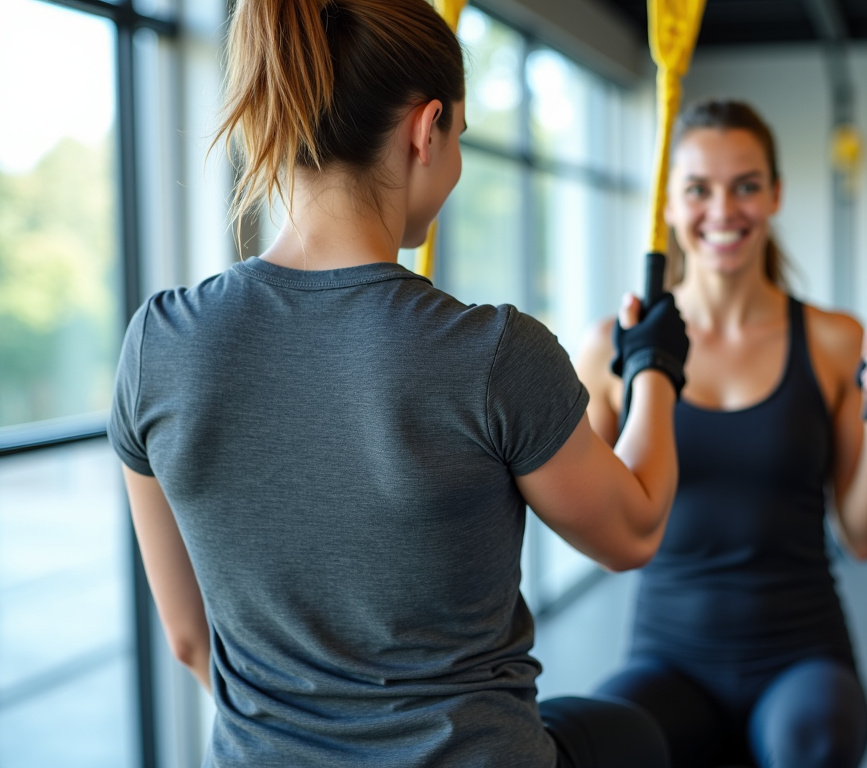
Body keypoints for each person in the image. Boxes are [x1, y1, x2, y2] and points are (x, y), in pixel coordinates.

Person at [110, 1, 688, 765]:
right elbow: (634, 529)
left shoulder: (159, 344)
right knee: (635, 737)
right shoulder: (493, 353)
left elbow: (189, 642)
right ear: (426, 129)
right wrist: (655, 368)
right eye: (461, 139)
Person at [578, 100, 867, 768]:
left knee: (813, 744)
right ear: (670, 206)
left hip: (801, 658)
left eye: (745, 186)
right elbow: (602, 540)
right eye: (698, 189)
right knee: (601, 742)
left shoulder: (833, 340)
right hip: (667, 656)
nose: (723, 210)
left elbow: (865, 536)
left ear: (775, 194)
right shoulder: (610, 349)